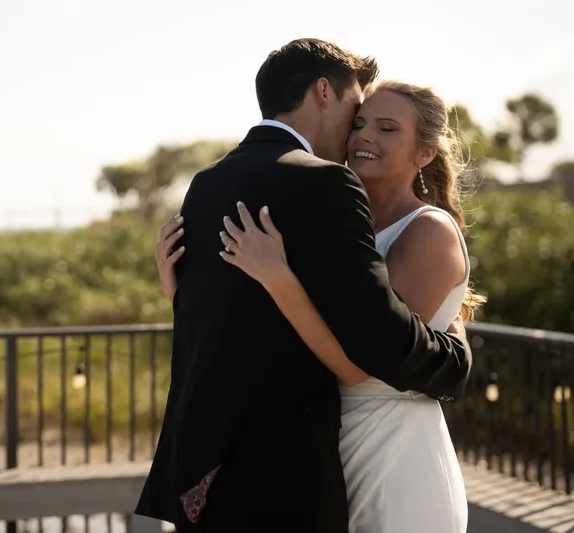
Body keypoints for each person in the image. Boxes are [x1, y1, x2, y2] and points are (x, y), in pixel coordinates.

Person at [135, 38, 473, 532]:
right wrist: (184, 296)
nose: (362, 135)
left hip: (389, 450)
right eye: (359, 120)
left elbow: (372, 353)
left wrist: (453, 352)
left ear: (424, 153)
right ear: (323, 92)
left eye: (385, 127)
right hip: (320, 450)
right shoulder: (329, 195)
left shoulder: (209, 182)